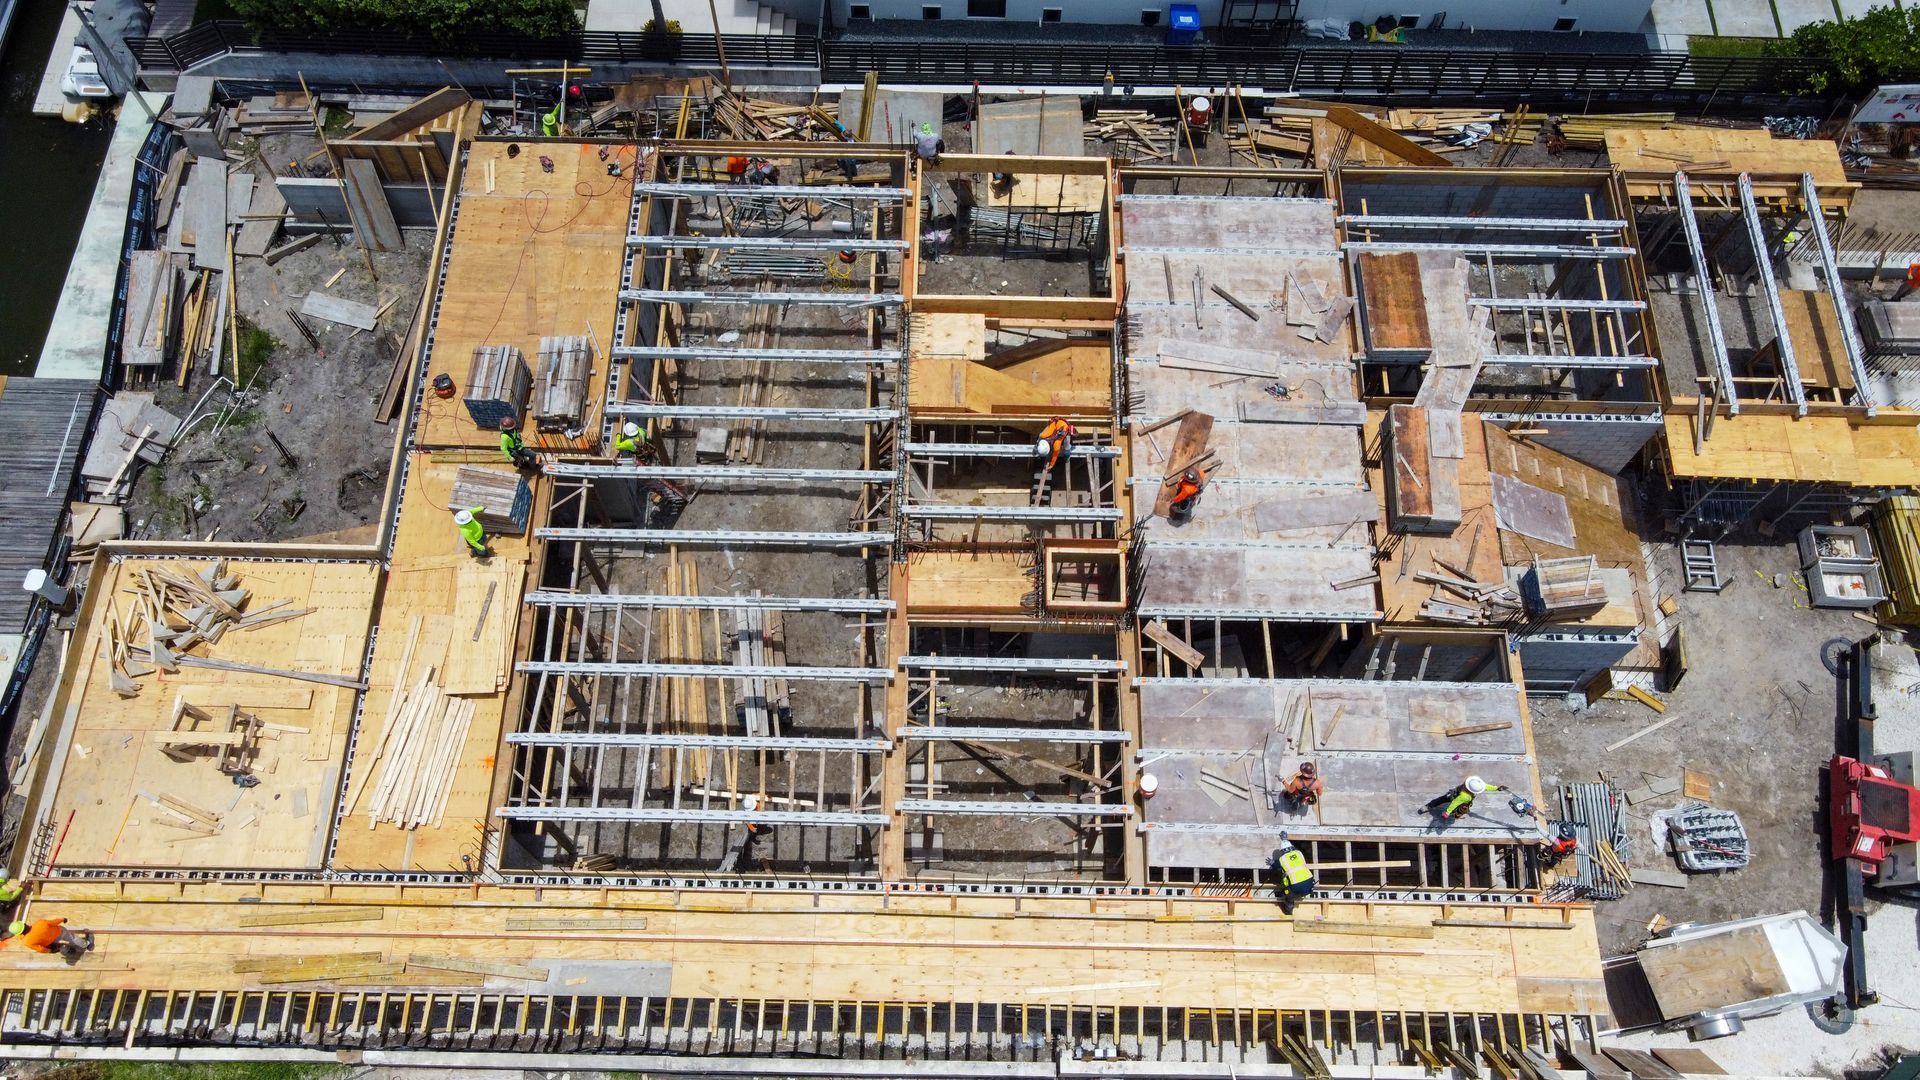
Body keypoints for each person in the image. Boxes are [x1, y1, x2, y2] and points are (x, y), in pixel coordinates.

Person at [1269, 833, 1316, 915]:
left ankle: (1288, 910)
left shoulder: (1282, 859)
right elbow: (1292, 851)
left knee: (1288, 895)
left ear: (1282, 851)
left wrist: (1272, 863)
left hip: (1296, 888)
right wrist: (1285, 839)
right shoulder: (1299, 853)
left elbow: (1276, 867)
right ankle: (1307, 892)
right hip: (1310, 884)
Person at [7, 917, 92, 962]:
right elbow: (54, 922)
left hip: (52, 941)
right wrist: (62, 919)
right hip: (60, 932)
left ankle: (69, 951)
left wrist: (50, 951)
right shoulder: (40, 923)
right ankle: (85, 944)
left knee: (60, 947)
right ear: (24, 924)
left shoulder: (27, 941)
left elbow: (41, 949)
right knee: (72, 938)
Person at [1424, 775, 1502, 821]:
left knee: (1442, 799)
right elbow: (1455, 803)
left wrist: (1497, 788)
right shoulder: (1465, 796)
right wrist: (1447, 812)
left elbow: (1486, 786)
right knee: (1454, 805)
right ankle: (1429, 806)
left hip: (1455, 792)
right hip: (1455, 797)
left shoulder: (1474, 783)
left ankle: (1429, 805)